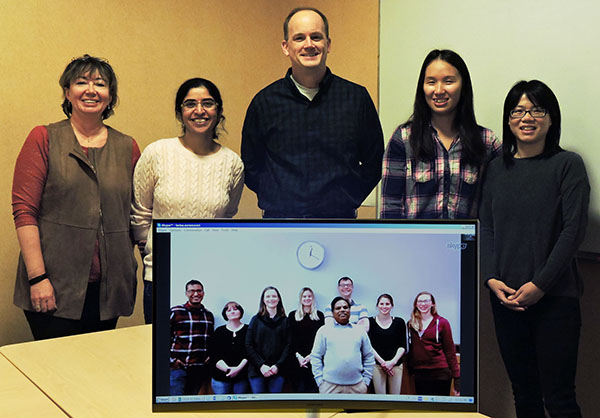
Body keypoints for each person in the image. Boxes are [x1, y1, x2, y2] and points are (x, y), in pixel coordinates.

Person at [12, 54, 140, 340]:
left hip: (108, 290)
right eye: (81, 82)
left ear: (111, 97)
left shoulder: (128, 147)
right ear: (67, 92)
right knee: (56, 373)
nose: (91, 90)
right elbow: (24, 212)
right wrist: (38, 278)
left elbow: (138, 215)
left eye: (100, 84)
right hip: (53, 286)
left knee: (96, 370)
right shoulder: (43, 138)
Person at [480, 80, 589, 418]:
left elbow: (573, 231)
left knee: (559, 398)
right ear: (508, 119)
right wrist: (490, 279)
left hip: (555, 299)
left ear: (551, 118)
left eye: (536, 110)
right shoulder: (496, 168)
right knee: (524, 396)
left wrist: (540, 285)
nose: (527, 118)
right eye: (518, 111)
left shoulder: (568, 165)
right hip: (507, 300)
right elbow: (487, 228)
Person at [241, 7, 384, 218]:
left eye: (316, 37)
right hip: (280, 222)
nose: (309, 45)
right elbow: (251, 165)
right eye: (299, 38)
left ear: (328, 44)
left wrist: (348, 197)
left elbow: (374, 161)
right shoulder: (264, 102)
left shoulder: (356, 98)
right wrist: (276, 195)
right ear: (286, 47)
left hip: (339, 221)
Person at [131, 78, 244, 324]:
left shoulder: (232, 163)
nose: (199, 111)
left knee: (203, 350)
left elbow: (226, 218)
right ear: (180, 112)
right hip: (161, 274)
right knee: (159, 354)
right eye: (190, 104)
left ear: (218, 110)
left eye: (208, 103)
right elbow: (140, 216)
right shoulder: (157, 153)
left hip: (211, 275)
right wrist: (153, 255)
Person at [381, 49, 500, 219]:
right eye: (431, 82)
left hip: (465, 243)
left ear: (463, 85)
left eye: (448, 81)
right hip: (415, 244)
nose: (438, 90)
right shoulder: (404, 138)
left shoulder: (486, 141)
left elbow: (499, 203)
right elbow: (390, 208)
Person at [311, 296, 375, 394]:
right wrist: (320, 381)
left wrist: (366, 381)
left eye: (345, 307)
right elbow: (316, 356)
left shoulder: (359, 331)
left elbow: (369, 356)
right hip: (329, 386)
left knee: (358, 410)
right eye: (338, 308)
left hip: (357, 386)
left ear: (350, 310)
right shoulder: (324, 331)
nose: (342, 310)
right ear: (332, 312)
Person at [406, 292, 459, 396]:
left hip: (440, 372)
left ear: (432, 304)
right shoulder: (411, 324)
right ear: (416, 304)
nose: (423, 304)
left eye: (426, 301)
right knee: (423, 410)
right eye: (420, 301)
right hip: (420, 373)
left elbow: (450, 351)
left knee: (440, 409)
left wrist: (457, 377)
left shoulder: (442, 323)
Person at [170, 280, 214, 396]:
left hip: (198, 369)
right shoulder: (175, 312)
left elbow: (209, 340)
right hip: (178, 369)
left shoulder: (208, 315)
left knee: (190, 404)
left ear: (203, 293)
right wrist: (171, 361)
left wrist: (208, 357)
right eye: (192, 291)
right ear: (186, 293)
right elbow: (162, 340)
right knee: (176, 404)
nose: (196, 294)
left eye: (199, 291)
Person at [245, 286, 290, 393]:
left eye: (274, 296)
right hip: (257, 370)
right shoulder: (255, 320)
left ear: (279, 299)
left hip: (278, 370)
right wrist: (261, 365)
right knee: (259, 406)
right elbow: (248, 345)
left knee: (274, 406)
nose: (271, 299)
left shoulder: (285, 321)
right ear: (263, 300)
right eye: (268, 296)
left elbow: (288, 346)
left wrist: (277, 366)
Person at [287, 287, 325, 392]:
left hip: (315, 359)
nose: (307, 298)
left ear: (313, 298)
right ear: (300, 299)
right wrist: (298, 356)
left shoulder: (320, 316)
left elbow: (321, 340)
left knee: (313, 393)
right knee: (298, 391)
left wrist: (311, 356)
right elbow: (290, 339)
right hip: (296, 360)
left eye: (309, 296)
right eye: (304, 296)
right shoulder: (292, 315)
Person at [368, 294, 407, 394]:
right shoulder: (370, 322)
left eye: (387, 304)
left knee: (395, 398)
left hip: (396, 365)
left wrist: (392, 362)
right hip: (377, 365)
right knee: (381, 398)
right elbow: (369, 346)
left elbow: (402, 346)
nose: (384, 306)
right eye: (381, 304)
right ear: (377, 306)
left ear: (392, 306)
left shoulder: (399, 322)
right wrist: (383, 363)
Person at [210, 301, 249, 395]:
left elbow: (249, 352)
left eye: (235, 309)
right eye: (228, 310)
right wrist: (227, 369)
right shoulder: (219, 331)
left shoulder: (249, 329)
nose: (232, 312)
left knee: (239, 408)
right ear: (225, 314)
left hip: (242, 377)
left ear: (241, 312)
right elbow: (214, 353)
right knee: (222, 408)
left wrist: (238, 369)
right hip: (220, 377)